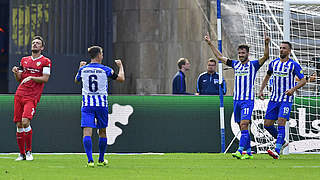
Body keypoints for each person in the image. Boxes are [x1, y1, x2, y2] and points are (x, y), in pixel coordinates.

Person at [205, 33, 270, 159]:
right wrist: (210, 43)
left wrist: (266, 44)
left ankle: (240, 150)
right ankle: (249, 152)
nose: (240, 55)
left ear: (248, 54)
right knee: (242, 126)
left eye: (243, 53)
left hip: (247, 100)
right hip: (236, 100)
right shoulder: (235, 64)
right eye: (239, 53)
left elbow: (266, 56)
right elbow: (219, 57)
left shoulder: (254, 65)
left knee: (245, 124)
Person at [74, 46, 125, 167]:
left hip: (87, 104)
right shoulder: (105, 69)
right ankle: (101, 160)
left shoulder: (84, 69)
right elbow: (121, 79)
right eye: (101, 53)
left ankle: (90, 160)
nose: (102, 56)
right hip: (101, 104)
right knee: (102, 131)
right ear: (98, 55)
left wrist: (79, 68)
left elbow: (76, 80)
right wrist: (121, 66)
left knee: (87, 132)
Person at [259, 41, 306, 159]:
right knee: (267, 125)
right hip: (273, 99)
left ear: (289, 51)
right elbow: (267, 76)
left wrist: (293, 89)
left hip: (286, 99)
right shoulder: (273, 63)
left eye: (284, 48)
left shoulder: (294, 65)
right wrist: (261, 90)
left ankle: (277, 149)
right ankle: (282, 141)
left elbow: (303, 80)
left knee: (281, 122)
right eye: (280, 48)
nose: (281, 50)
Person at [12, 36, 51, 161]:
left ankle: (29, 152)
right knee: (18, 124)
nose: (35, 44)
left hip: (32, 96)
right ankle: (21, 154)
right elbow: (20, 79)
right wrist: (16, 73)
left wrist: (32, 78)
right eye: (33, 42)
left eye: (38, 43)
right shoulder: (24, 60)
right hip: (20, 94)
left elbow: (45, 78)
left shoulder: (45, 61)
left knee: (25, 122)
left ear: (42, 47)